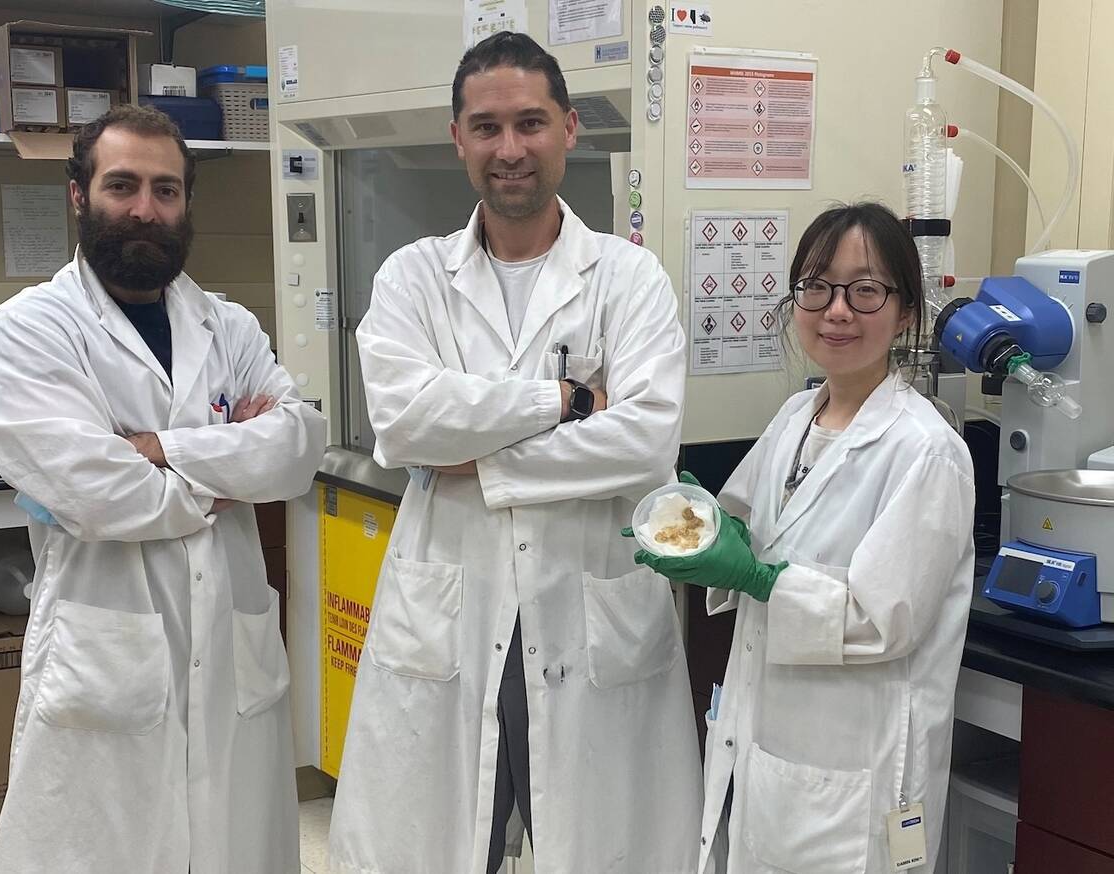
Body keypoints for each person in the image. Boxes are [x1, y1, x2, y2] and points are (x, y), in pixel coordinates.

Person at [328, 31, 701, 874]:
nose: (510, 149)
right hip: (449, 618)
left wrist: (481, 461)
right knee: (435, 845)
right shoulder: (412, 278)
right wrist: (565, 403)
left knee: (604, 847)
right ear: (457, 138)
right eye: (487, 127)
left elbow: (647, 443)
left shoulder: (628, 279)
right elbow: (405, 427)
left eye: (530, 123)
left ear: (568, 127)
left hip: (591, 617)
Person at [0, 105, 326, 874]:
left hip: (232, 660)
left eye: (166, 190)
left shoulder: (228, 326)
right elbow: (97, 494)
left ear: (186, 202)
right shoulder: (33, 329)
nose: (144, 208)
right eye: (122, 185)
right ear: (79, 194)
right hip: (107, 664)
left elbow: (298, 451)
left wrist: (162, 450)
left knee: (235, 848)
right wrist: (230, 472)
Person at [635, 203, 975, 873]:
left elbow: (883, 621)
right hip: (772, 749)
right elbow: (746, 523)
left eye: (865, 290)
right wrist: (702, 528)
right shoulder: (797, 415)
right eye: (817, 287)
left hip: (860, 768)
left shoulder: (925, 450)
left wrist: (759, 579)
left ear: (906, 311)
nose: (836, 310)